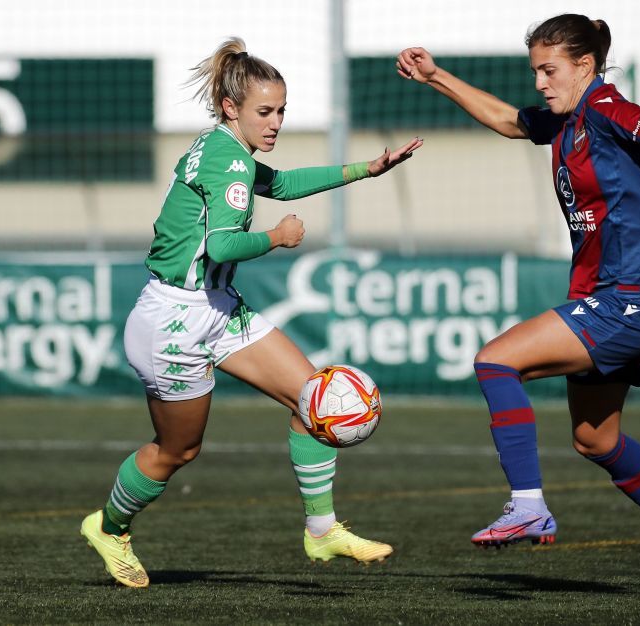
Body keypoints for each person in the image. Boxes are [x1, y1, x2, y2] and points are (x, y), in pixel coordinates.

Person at [397, 14, 640, 594]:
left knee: (495, 361)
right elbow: (508, 122)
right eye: (535, 70)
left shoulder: (607, 108)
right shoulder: (566, 122)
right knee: (595, 440)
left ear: (585, 67)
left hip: (626, 299)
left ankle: (529, 503)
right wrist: (437, 77)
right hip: (613, 300)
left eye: (549, 70)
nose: (539, 82)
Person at [80, 37, 423, 588]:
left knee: (310, 397)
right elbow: (220, 247)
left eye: (282, 110)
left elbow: (283, 183)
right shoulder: (229, 163)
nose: (277, 122)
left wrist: (369, 168)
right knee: (178, 449)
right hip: (175, 321)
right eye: (266, 111)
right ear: (230, 108)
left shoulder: (225, 148)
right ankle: (110, 526)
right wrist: (277, 236)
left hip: (217, 307)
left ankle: (321, 530)